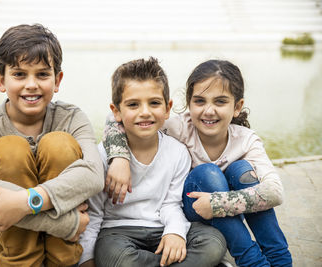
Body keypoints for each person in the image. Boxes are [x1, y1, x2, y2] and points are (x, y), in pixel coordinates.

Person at [102, 59, 293, 267]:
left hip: (216, 209)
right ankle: (252, 261)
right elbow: (117, 119)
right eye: (200, 101)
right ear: (189, 104)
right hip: (191, 208)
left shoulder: (246, 140)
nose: (208, 111)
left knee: (242, 170)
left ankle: (280, 258)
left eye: (220, 101)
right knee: (207, 174)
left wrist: (217, 204)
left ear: (237, 107)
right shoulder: (177, 127)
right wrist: (119, 156)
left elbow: (275, 192)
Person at [0, 24, 104, 267]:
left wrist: (27, 201)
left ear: (57, 80)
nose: (31, 84)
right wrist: (63, 223)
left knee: (59, 144)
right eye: (19, 74)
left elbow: (94, 175)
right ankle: (22, 262)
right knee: (10, 150)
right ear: (0, 79)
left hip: (62, 242)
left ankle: (62, 261)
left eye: (42, 74)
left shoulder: (71, 118)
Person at [79, 57, 227, 267]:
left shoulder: (177, 152)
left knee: (213, 242)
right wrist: (87, 259)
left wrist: (174, 232)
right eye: (133, 105)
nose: (145, 112)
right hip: (117, 232)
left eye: (154, 103)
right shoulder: (103, 155)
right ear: (116, 111)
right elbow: (94, 214)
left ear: (167, 108)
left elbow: (171, 203)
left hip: (161, 227)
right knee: (115, 258)